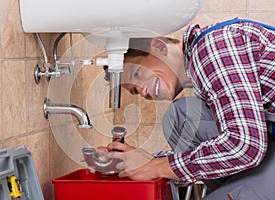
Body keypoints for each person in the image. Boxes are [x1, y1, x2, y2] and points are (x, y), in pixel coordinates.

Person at [96, 18, 275, 199]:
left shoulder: (212, 47)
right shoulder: (203, 65)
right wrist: (149, 162)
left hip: (256, 148)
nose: (143, 90)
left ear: (159, 47)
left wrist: (157, 167)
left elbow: (244, 146)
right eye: (135, 91)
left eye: (138, 74)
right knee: (181, 115)